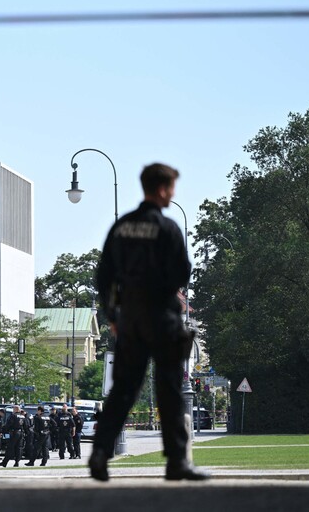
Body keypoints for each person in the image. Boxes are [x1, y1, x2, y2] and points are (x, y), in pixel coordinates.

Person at [89, 163, 210, 482]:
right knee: (169, 389)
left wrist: (113, 315)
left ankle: (100, 453)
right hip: (162, 317)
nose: (172, 194)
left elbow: (104, 276)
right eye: (171, 188)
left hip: (129, 319)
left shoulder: (121, 227)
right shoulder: (168, 228)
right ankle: (176, 462)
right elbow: (181, 273)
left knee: (124, 389)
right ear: (161, 189)